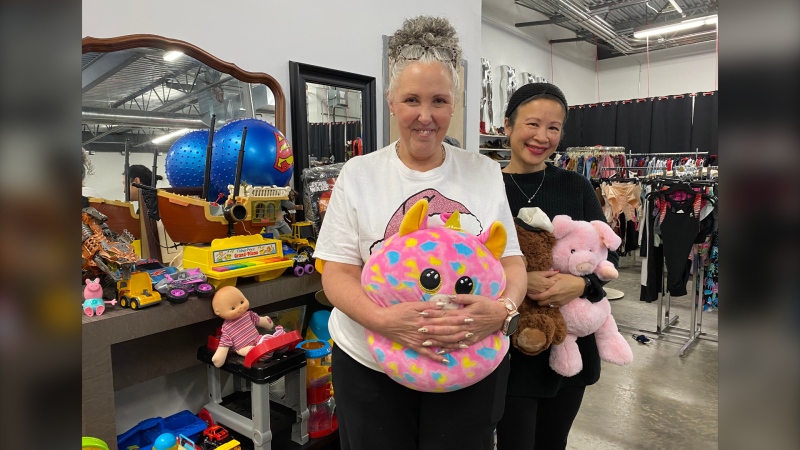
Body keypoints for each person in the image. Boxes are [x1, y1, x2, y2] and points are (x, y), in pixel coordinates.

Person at [312, 16, 527, 450]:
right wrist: (386, 322)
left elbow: (511, 261)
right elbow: (335, 273)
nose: (424, 117)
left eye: (439, 101)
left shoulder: (483, 172)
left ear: (454, 105)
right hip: (371, 367)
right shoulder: (359, 174)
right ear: (391, 101)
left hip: (467, 366)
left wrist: (503, 309)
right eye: (411, 99)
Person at [495, 82, 620, 450]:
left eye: (554, 127)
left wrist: (581, 286)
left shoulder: (576, 186)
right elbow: (467, 261)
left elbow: (606, 257)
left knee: (554, 442)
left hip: (571, 347)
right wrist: (516, 278)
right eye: (532, 124)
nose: (542, 137)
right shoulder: (486, 186)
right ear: (507, 126)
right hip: (511, 348)